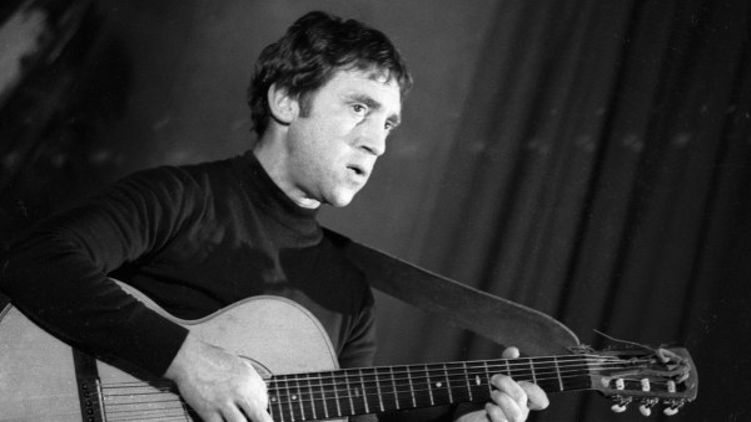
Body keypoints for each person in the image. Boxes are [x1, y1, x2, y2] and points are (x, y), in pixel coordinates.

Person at [0, 11, 548, 422]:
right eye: (360, 108)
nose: (377, 143)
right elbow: (36, 262)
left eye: (388, 125)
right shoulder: (182, 198)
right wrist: (188, 361)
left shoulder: (348, 295)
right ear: (286, 100)